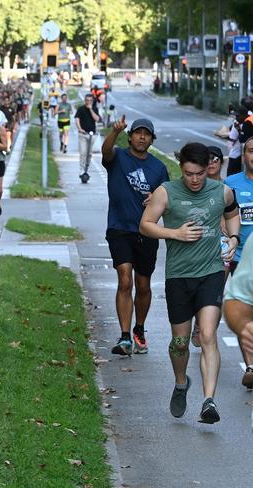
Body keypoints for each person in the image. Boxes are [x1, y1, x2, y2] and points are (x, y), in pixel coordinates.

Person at [139, 142, 239, 424]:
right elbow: (145, 225)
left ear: (208, 168)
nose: (194, 180)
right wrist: (175, 233)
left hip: (211, 273)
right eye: (188, 174)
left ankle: (209, 401)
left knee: (207, 335)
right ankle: (181, 382)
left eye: (199, 174)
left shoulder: (221, 191)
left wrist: (233, 239)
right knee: (180, 342)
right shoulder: (166, 192)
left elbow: (232, 214)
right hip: (179, 276)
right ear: (180, 169)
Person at [101, 117, 170, 357]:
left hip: (146, 230)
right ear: (130, 136)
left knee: (142, 285)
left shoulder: (158, 168)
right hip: (119, 228)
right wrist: (114, 131)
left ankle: (139, 329)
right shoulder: (118, 157)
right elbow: (105, 151)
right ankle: (124, 337)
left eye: (147, 134)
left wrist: (156, 198)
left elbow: (167, 199)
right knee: (124, 280)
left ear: (152, 139)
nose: (142, 137)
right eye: (138, 133)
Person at [224, 131, 253, 386]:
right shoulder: (232, 182)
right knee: (246, 312)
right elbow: (223, 215)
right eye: (251, 151)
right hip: (241, 257)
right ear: (243, 155)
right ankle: (251, 365)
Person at [75, 93, 101, 183]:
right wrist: (80, 128)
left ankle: (87, 168)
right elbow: (77, 119)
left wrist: (90, 109)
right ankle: (81, 169)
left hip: (92, 135)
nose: (88, 102)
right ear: (85, 101)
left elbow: (97, 119)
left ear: (92, 101)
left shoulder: (95, 109)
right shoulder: (81, 109)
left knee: (89, 154)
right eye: (87, 100)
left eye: (90, 100)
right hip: (83, 134)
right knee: (83, 152)